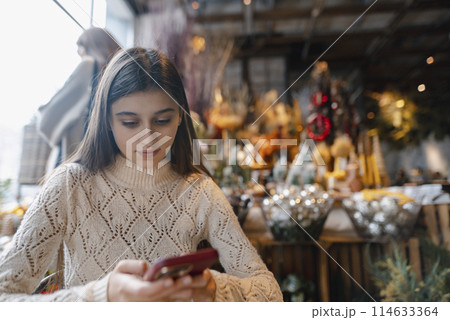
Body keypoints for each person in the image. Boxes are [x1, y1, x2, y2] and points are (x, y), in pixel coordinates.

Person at [0, 48, 283, 301]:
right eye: (130, 122)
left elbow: (269, 294)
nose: (148, 138)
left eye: (162, 120)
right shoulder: (69, 186)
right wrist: (102, 294)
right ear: (107, 120)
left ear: (181, 116)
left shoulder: (199, 192)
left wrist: (214, 288)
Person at [37, 27, 120, 175]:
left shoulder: (88, 65)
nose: (78, 52)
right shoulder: (120, 71)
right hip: (112, 161)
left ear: (91, 46)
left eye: (80, 46)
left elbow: (49, 119)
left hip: (81, 158)